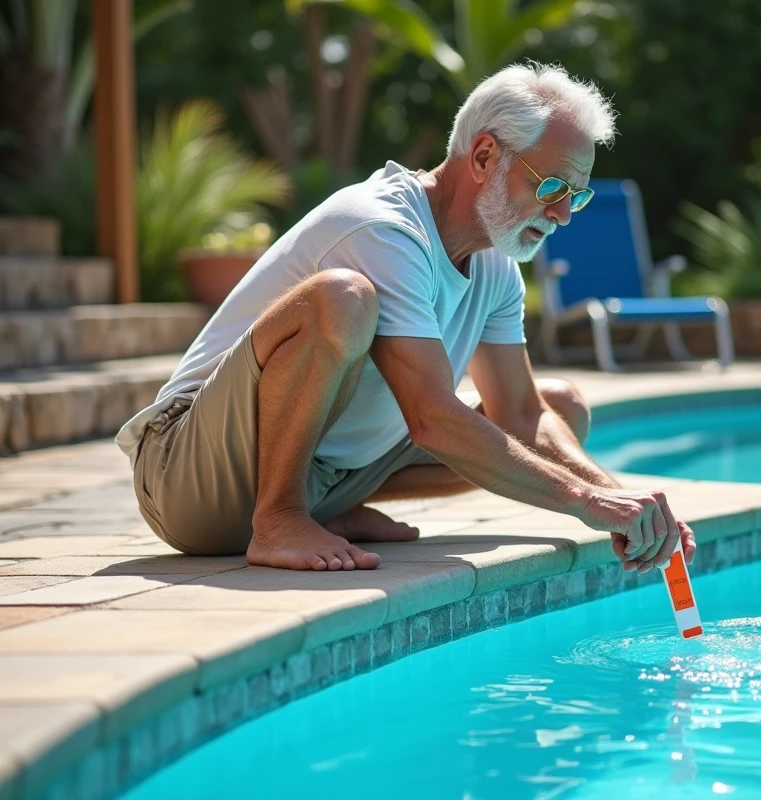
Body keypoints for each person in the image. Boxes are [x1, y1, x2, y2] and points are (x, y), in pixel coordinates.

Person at [117, 62, 695, 573]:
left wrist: (628, 504)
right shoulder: (384, 227)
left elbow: (521, 413)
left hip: (320, 470)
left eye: (578, 195)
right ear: (485, 155)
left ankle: (322, 508)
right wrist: (583, 500)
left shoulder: (495, 263)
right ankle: (279, 518)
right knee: (343, 298)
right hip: (190, 478)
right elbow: (431, 419)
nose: (564, 214)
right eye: (550, 186)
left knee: (560, 410)